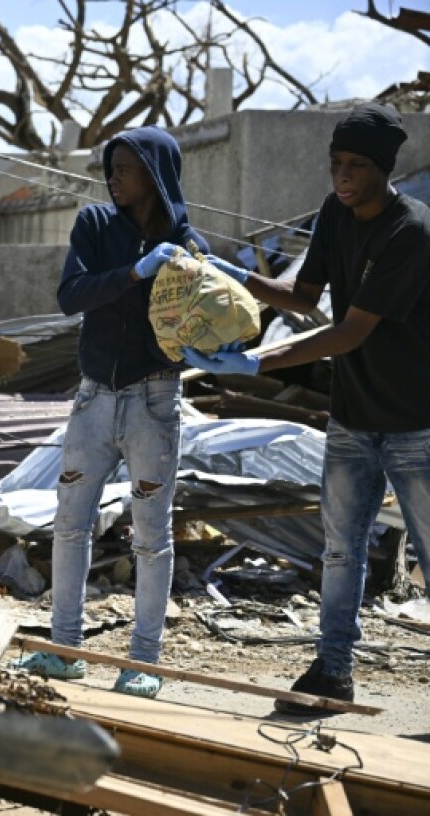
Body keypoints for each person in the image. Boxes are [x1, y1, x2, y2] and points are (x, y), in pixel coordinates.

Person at [183, 102, 430, 716]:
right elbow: (301, 296)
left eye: (356, 166)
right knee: (340, 550)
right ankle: (334, 670)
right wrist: (225, 274)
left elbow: (348, 332)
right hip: (352, 416)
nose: (342, 176)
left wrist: (252, 365)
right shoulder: (334, 212)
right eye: (335, 164)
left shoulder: (412, 232)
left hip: (414, 423)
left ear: (383, 168)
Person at [17, 127, 209, 699]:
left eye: (125, 168)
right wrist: (132, 274)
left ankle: (143, 661)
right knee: (71, 525)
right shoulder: (95, 225)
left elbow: (206, 315)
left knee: (151, 534)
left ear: (155, 173)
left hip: (155, 399)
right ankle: (65, 651)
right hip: (95, 395)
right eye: (111, 167)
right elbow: (71, 295)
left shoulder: (185, 241)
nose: (113, 177)